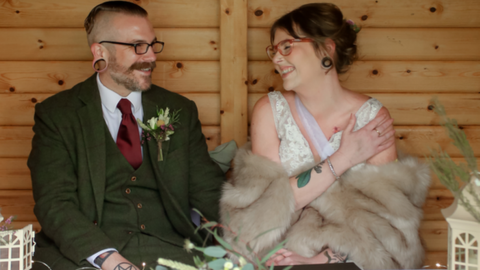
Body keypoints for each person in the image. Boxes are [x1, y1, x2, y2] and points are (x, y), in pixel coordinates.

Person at [220, 3, 430, 269]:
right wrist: (343, 158)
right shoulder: (269, 112)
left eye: (287, 46)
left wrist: (320, 260)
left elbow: (386, 220)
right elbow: (267, 208)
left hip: (353, 255)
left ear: (326, 48)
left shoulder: (372, 118)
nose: (275, 59)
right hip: (280, 248)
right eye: (274, 50)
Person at [28, 1, 224, 270]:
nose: (152, 56)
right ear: (100, 52)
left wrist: (250, 241)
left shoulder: (180, 109)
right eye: (137, 46)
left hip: (174, 249)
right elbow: (55, 203)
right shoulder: (57, 115)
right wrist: (112, 261)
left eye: (153, 45)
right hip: (90, 254)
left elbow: (208, 190)